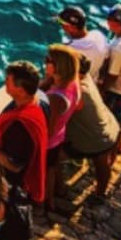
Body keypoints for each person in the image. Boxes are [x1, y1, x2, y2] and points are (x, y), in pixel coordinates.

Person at [0, 60, 48, 205]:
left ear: (21, 90)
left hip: (10, 180)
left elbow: (14, 165)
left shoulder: (19, 126)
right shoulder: (40, 104)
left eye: (8, 81)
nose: (4, 82)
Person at [64, 53, 120, 203]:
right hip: (110, 125)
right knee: (103, 163)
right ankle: (101, 192)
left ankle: (99, 194)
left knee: (100, 163)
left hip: (99, 137)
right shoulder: (86, 77)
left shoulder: (78, 91)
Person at [41, 44, 82, 212]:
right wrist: (49, 78)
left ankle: (47, 201)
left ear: (59, 66)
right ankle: (60, 190)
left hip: (49, 140)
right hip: (60, 134)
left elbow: (48, 129)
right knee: (54, 166)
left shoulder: (55, 98)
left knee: (47, 170)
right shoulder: (73, 83)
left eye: (48, 60)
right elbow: (77, 106)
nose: (44, 63)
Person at [100, 3, 121, 164]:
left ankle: (109, 158)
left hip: (118, 92)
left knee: (112, 124)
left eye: (109, 18)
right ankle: (118, 146)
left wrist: (101, 92)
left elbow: (112, 75)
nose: (107, 20)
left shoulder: (120, 48)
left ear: (118, 23)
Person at [54, 4, 108, 76]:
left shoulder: (69, 50)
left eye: (62, 23)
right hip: (92, 82)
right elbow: (106, 60)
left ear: (72, 27)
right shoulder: (99, 35)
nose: (61, 26)